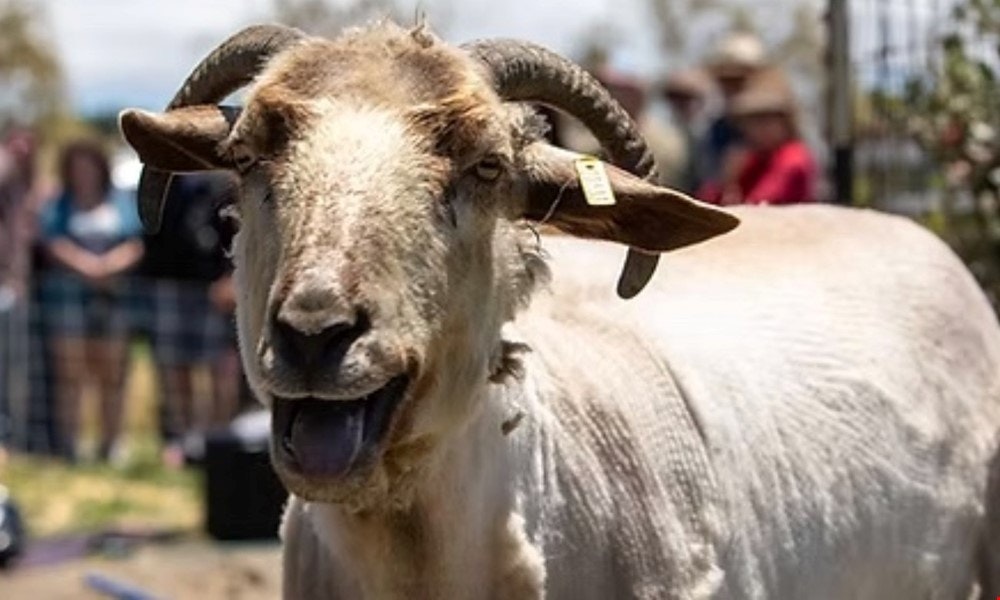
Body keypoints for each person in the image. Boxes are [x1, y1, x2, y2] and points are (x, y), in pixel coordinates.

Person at [38, 140, 144, 462]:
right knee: (70, 373)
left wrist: (107, 267)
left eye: (89, 166)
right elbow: (51, 241)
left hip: (113, 301)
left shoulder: (120, 201)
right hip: (69, 301)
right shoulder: (59, 204)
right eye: (77, 167)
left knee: (111, 373)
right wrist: (85, 266)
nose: (83, 173)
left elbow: (136, 243)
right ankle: (69, 444)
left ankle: (112, 444)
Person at [138, 172, 240, 466]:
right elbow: (150, 234)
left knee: (220, 370)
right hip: (168, 284)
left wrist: (230, 276)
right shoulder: (159, 181)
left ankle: (217, 441)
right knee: (176, 368)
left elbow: (236, 231)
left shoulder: (222, 183)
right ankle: (183, 442)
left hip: (215, 288)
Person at [698, 69, 818, 205]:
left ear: (785, 122)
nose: (759, 129)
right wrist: (727, 181)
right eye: (752, 120)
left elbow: (760, 203)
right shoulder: (751, 159)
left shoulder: (794, 158)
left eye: (767, 119)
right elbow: (706, 203)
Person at [700, 32, 768, 190]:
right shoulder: (716, 130)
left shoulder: (782, 130)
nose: (733, 89)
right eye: (726, 81)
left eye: (740, 80)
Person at [661, 68, 712, 192]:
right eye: (674, 97)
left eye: (686, 97)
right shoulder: (664, 135)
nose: (679, 103)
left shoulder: (714, 133)